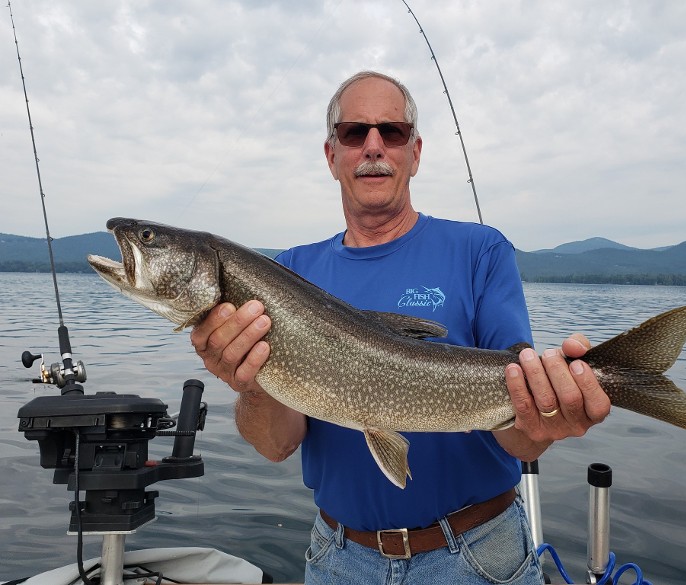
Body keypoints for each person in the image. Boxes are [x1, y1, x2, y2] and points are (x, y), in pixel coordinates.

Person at [191, 70, 611, 584]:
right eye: (353, 133)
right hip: (337, 558)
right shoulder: (286, 275)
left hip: (478, 556)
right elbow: (275, 445)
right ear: (331, 155)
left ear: (415, 153)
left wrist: (549, 416)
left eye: (391, 132)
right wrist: (252, 385)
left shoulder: (480, 251)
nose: (373, 147)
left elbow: (521, 442)